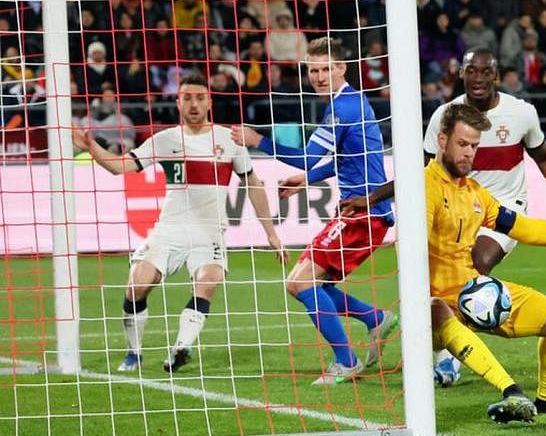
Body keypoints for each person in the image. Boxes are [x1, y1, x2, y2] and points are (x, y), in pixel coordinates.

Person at [346, 103, 546, 422]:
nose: (469, 153)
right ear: (442, 141)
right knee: (436, 307)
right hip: (433, 307)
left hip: (473, 294)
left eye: (474, 146)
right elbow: (412, 250)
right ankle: (511, 393)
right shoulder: (424, 187)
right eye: (462, 144)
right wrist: (419, 299)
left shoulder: (475, 192)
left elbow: (524, 227)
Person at [71, 74, 286, 373]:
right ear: (178, 102)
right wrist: (91, 146)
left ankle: (181, 348)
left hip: (209, 231)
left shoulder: (230, 139)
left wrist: (271, 233)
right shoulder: (165, 139)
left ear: (210, 102)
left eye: (200, 97)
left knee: (208, 281)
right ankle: (134, 353)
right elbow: (120, 168)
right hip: (169, 229)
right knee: (137, 286)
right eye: (187, 98)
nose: (194, 104)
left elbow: (253, 184)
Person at [231, 37, 398, 385]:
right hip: (361, 212)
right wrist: (309, 180)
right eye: (314, 70)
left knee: (299, 282)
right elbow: (343, 161)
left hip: (363, 214)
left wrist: (257, 140)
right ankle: (375, 319)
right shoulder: (348, 102)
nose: (319, 76)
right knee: (312, 283)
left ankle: (347, 360)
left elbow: (307, 156)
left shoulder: (344, 108)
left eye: (326, 69)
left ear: (342, 68)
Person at [424, 48, 546, 384]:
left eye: (485, 72)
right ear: (461, 74)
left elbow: (544, 157)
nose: (478, 78)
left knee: (478, 264)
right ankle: (447, 344)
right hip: (461, 207)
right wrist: (375, 198)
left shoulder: (521, 113)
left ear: (496, 75)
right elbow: (423, 168)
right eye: (471, 71)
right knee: (447, 280)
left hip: (503, 206)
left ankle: (457, 345)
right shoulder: (445, 116)